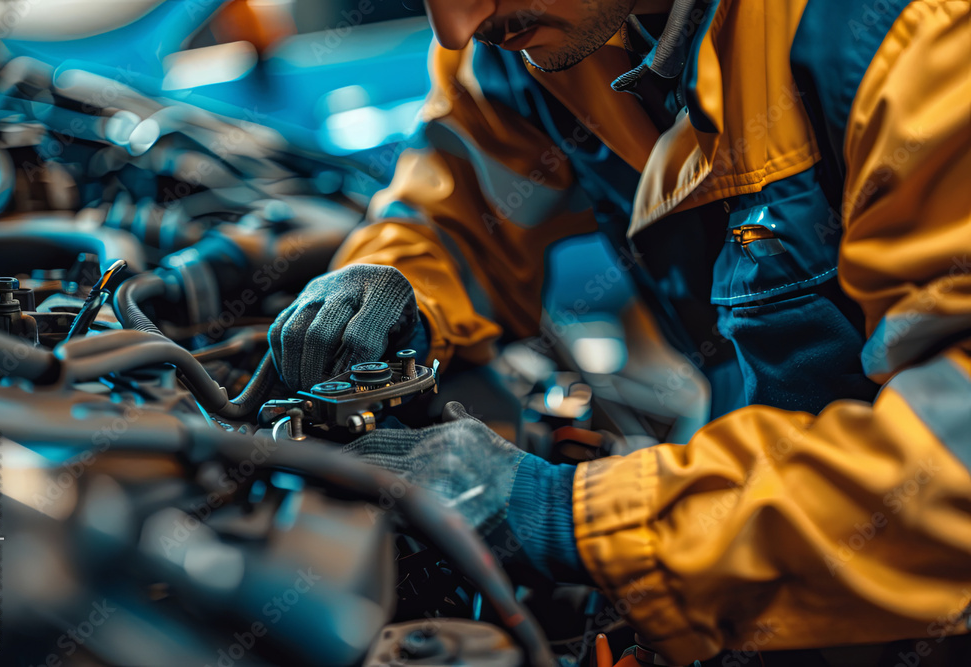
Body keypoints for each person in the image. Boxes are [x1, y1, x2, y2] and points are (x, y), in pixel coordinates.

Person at [268, 0, 971, 662]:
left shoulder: (921, 39)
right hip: (753, 520)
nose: (455, 25)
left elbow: (949, 478)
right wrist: (393, 286)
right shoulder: (541, 37)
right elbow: (463, 206)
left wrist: (572, 517)